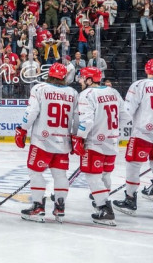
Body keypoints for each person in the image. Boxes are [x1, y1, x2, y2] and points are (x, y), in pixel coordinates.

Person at [13, 62, 78, 223]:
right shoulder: (73, 93)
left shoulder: (40, 89)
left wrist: (22, 129)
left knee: (35, 172)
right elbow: (77, 118)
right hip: (63, 141)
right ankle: (60, 206)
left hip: (42, 140)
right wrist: (76, 137)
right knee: (60, 174)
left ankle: (37, 206)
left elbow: (32, 111)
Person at [113, 59, 153, 217]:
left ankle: (130, 199)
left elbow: (128, 110)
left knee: (133, 166)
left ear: (146, 70)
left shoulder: (140, 85)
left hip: (142, 133)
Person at [76, 66, 124, 226]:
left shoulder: (87, 94)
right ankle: (101, 201)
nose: (80, 80)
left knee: (92, 176)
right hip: (112, 141)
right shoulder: (113, 92)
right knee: (105, 174)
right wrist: (113, 132)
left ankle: (105, 208)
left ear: (90, 79)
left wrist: (79, 138)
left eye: (82, 77)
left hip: (94, 143)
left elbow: (87, 121)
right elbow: (125, 115)